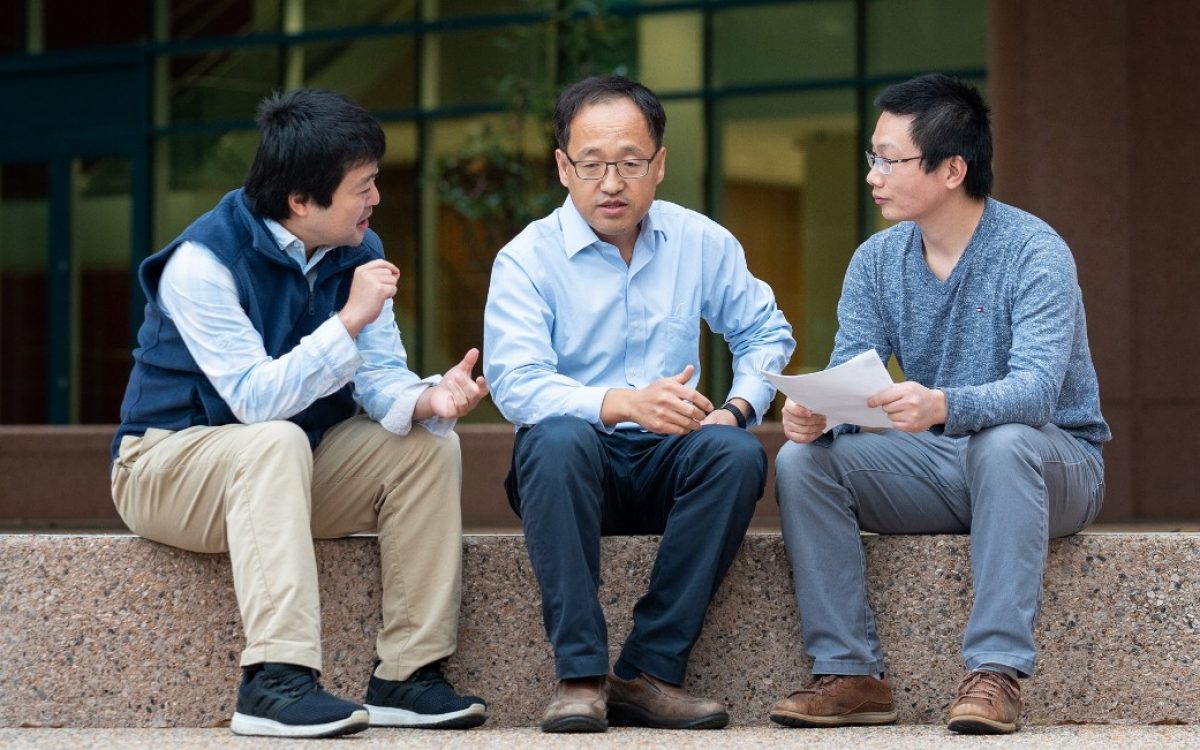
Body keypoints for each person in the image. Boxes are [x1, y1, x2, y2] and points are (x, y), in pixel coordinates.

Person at [110, 89, 490, 738]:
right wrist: (347, 320)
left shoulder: (359, 251)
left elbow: (378, 376)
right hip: (164, 468)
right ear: (300, 201)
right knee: (274, 437)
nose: (376, 200)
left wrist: (430, 399)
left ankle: (407, 673)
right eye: (363, 186)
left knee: (427, 446)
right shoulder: (203, 264)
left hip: (283, 473)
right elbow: (253, 402)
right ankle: (274, 680)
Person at [769, 73, 1110, 735]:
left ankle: (995, 673)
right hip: (943, 464)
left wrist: (941, 406)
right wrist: (820, 412)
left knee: (1004, 442)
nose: (873, 174)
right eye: (873, 156)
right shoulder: (875, 262)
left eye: (889, 159)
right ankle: (850, 675)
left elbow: (1037, 392)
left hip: (1054, 466)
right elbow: (854, 374)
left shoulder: (1035, 252)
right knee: (801, 464)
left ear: (952, 168)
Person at [483, 75, 795, 733]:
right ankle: (580, 677)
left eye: (629, 162)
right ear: (563, 168)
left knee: (734, 454)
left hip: (669, 465)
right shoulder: (526, 260)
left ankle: (647, 674)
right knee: (557, 437)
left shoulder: (699, 241)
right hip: (570, 473)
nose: (612, 183)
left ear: (659, 164)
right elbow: (514, 384)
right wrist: (622, 403)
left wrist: (736, 407)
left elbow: (766, 331)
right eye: (592, 164)